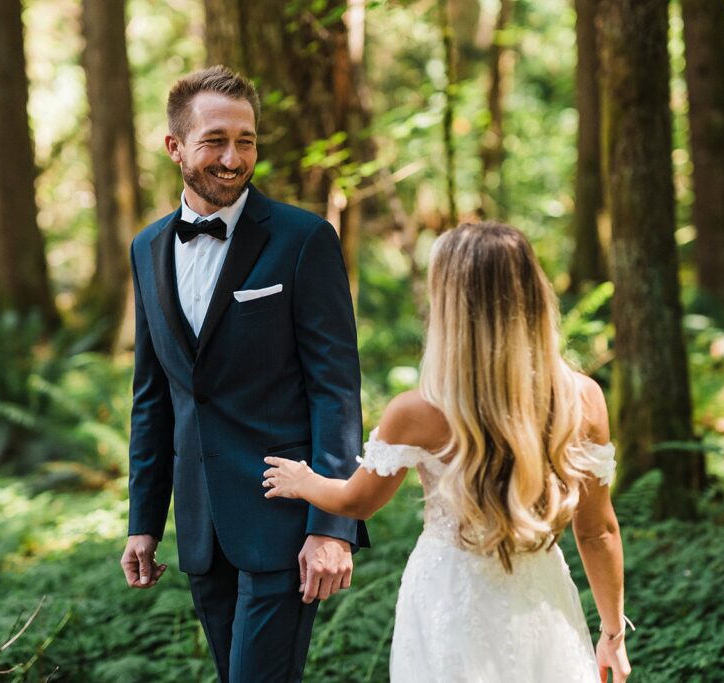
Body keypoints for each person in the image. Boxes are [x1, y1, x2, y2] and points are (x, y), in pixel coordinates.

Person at [263, 222, 633, 682]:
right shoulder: (583, 398)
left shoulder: (417, 411)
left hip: (448, 598)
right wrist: (612, 635)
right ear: (533, 295)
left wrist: (305, 481)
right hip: (540, 594)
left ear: (451, 306)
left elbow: (358, 502)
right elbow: (598, 532)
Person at [119, 65, 368, 683]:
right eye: (215, 141)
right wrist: (144, 523)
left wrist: (331, 526)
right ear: (175, 147)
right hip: (201, 528)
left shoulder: (304, 239)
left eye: (247, 140)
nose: (233, 158)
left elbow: (335, 389)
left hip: (285, 517)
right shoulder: (147, 248)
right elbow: (155, 398)